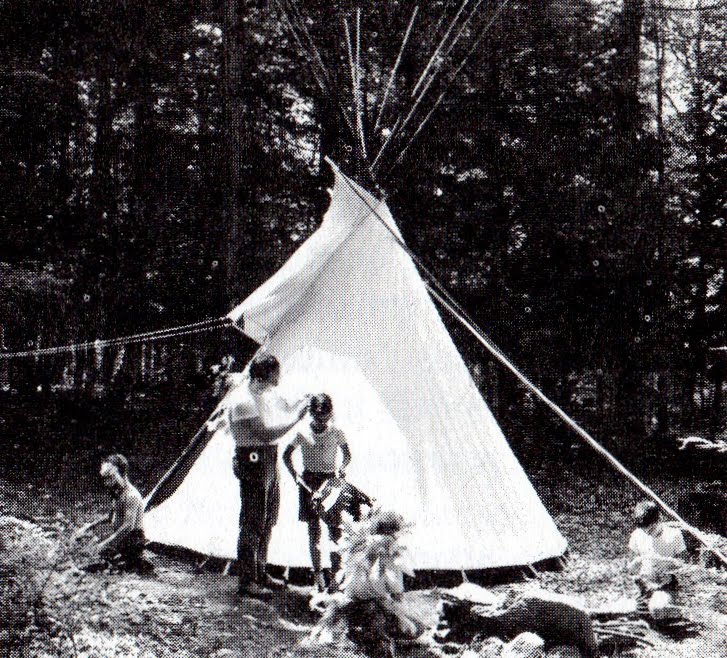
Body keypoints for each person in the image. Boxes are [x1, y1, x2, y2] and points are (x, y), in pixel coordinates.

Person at [229, 353, 310, 597]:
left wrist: (301, 403)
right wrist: (296, 420)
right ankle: (247, 580)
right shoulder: (244, 401)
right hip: (253, 457)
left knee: (268, 518)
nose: (280, 376)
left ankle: (259, 571)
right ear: (267, 373)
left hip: (268, 457)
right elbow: (265, 434)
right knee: (253, 520)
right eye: (277, 372)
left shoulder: (263, 395)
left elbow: (282, 407)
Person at [283, 393, 351, 592]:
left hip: (330, 482)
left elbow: (347, 455)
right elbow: (286, 455)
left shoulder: (336, 432)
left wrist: (342, 468)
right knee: (314, 531)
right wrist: (295, 475)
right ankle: (318, 578)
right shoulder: (303, 432)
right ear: (311, 414)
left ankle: (336, 577)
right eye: (317, 416)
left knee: (335, 531)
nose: (321, 421)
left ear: (331, 414)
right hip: (309, 483)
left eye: (325, 416)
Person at [77, 454, 150, 574]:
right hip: (122, 540)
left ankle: (138, 564)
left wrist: (105, 544)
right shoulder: (118, 492)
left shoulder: (131, 495)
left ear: (122, 474)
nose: (106, 482)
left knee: (96, 568)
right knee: (86, 563)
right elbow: (110, 516)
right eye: (105, 478)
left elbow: (128, 527)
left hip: (132, 542)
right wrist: (88, 527)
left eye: (110, 477)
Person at [627, 500, 687, 621]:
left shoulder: (674, 535)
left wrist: (670, 567)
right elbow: (630, 568)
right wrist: (635, 564)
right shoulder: (637, 535)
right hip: (644, 585)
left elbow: (684, 564)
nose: (648, 533)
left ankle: (669, 613)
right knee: (629, 610)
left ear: (659, 519)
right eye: (644, 530)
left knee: (658, 608)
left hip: (667, 585)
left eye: (651, 529)